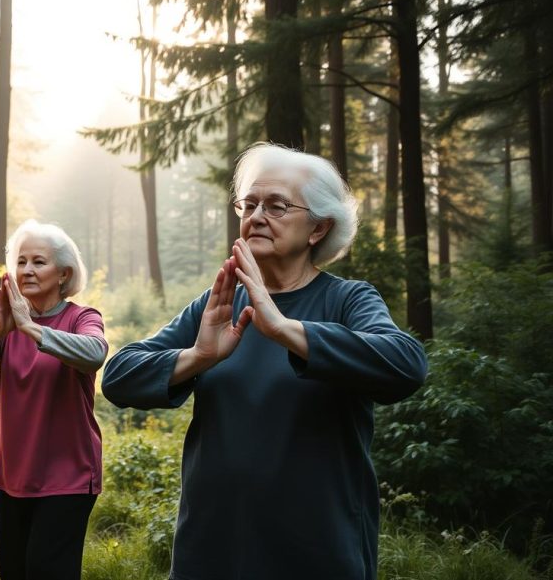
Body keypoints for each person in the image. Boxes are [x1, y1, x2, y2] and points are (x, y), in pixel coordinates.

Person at [102, 143, 428, 580]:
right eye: (249, 203)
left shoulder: (346, 299)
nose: (256, 216)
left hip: (316, 551)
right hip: (212, 549)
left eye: (277, 205)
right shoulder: (216, 305)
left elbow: (406, 365)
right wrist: (198, 356)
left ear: (317, 229)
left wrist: (285, 330)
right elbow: (120, 376)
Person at [0, 220, 107, 580]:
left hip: (68, 476)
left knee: (46, 569)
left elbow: (94, 352)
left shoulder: (81, 317)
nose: (27, 270)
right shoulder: (6, 324)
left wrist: (32, 329)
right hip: (14, 475)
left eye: (39, 262)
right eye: (21, 262)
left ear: (64, 274)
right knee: (14, 570)